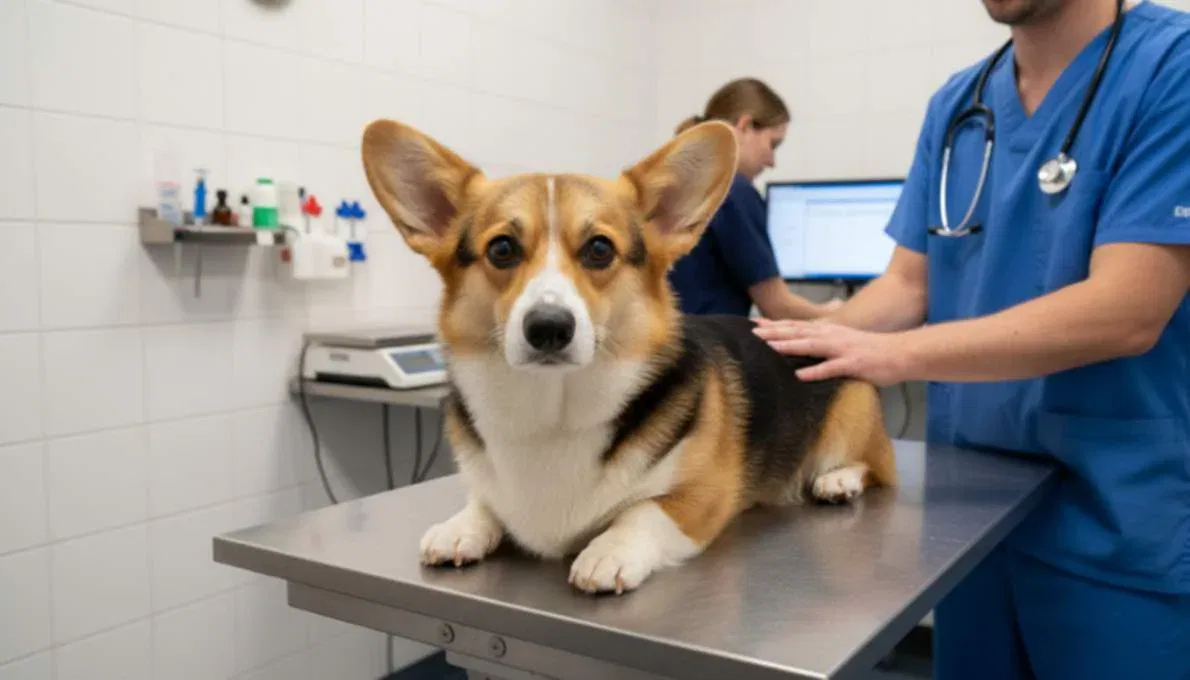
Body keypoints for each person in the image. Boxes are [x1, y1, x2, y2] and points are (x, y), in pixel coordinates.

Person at [753, 0, 1190, 678]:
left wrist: (897, 355)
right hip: (969, 521)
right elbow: (908, 285)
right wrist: (791, 346)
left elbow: (1129, 308)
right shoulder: (960, 104)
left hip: (1116, 524)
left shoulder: (1172, 66)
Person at [666, 78, 839, 319]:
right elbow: (777, 307)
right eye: (773, 144)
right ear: (745, 125)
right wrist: (835, 312)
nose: (772, 161)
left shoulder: (681, 179)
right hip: (710, 348)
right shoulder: (733, 190)